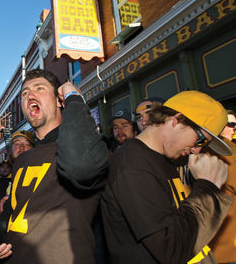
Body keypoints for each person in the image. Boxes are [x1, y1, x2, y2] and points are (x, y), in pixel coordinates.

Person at [0, 69, 109, 263]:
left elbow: (80, 167)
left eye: (39, 88)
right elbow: (14, 211)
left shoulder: (84, 145)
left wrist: (73, 97)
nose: (30, 95)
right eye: (25, 93)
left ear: (59, 100)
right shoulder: (24, 159)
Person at [101, 90, 233, 263]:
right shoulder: (132, 166)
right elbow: (171, 250)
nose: (197, 149)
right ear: (176, 120)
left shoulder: (164, 158)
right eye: (200, 140)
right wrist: (207, 187)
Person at [209, 109, 236, 263]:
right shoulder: (228, 151)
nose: (234, 128)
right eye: (230, 124)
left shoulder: (202, 150)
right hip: (229, 243)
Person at [0, 130, 34, 216]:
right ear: (11, 150)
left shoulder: (43, 176)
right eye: (17, 144)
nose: (22, 147)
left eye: (27, 144)